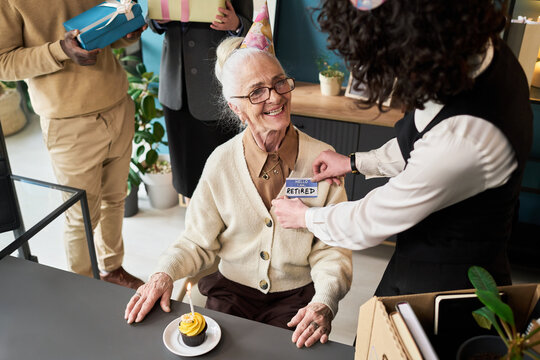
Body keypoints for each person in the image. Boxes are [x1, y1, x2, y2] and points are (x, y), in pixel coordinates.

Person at [273, 0, 532, 296]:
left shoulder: (465, 138)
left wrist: (304, 218)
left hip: (449, 286)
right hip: (416, 254)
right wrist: (356, 162)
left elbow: (370, 220)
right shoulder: (474, 51)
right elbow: (425, 143)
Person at [124, 32, 353, 349]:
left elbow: (333, 249)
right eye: (257, 92)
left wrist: (324, 301)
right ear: (236, 108)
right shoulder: (220, 163)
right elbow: (196, 241)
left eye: (279, 83)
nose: (274, 97)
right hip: (231, 289)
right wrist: (162, 274)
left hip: (296, 297)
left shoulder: (323, 160)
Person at [0, 0, 147, 289]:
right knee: (81, 218)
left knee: (115, 198)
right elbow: (3, 62)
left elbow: (102, 30)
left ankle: (112, 269)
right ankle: (84, 288)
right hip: (68, 122)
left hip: (117, 101)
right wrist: (60, 51)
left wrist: (126, 33)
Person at [147, 0, 253, 202]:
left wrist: (236, 24)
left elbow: (252, 28)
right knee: (186, 177)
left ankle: (221, 228)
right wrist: (158, 20)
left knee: (220, 179)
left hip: (214, 87)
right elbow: (151, 19)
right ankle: (194, 229)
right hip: (176, 86)